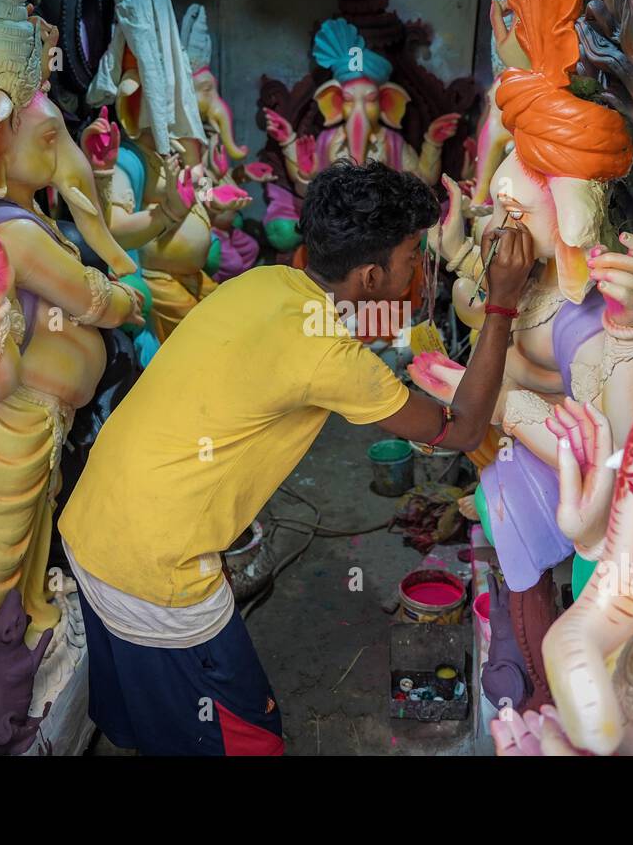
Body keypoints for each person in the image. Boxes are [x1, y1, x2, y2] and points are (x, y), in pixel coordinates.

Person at [58, 160, 534, 754]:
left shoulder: (263, 283)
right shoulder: (332, 360)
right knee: (245, 740)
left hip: (93, 521)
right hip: (153, 570)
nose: (419, 268)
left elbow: (305, 350)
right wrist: (502, 304)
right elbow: (464, 430)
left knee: (149, 717)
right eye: (413, 256)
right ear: (370, 275)